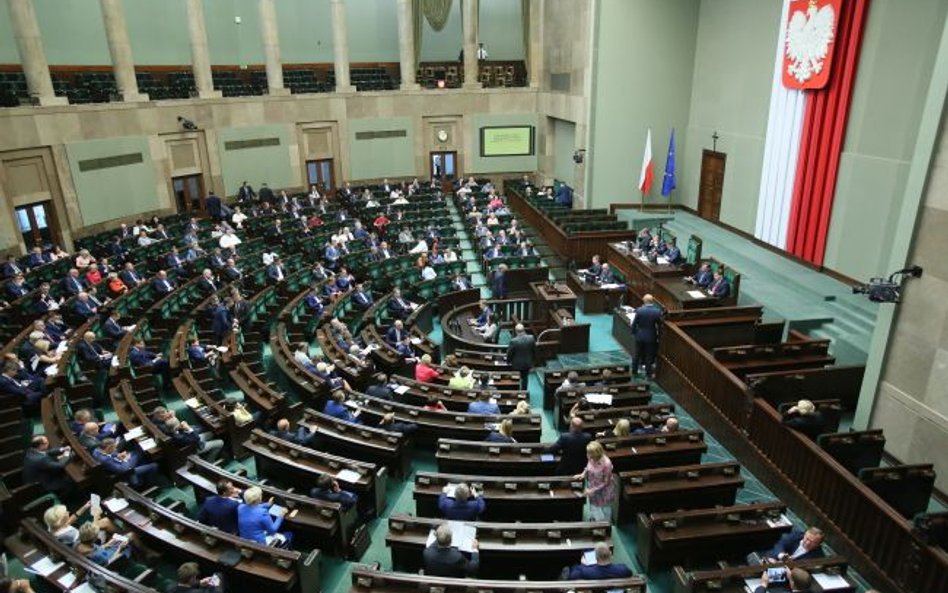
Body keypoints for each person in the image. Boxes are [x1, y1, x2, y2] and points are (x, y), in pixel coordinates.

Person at [92, 438, 161, 488]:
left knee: (135, 452)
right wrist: (125, 459)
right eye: (114, 448)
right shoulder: (105, 460)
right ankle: (151, 485)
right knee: (154, 465)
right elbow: (123, 469)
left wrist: (118, 455)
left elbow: (110, 454)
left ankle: (143, 469)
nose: (115, 449)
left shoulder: (97, 450)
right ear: (109, 448)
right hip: (124, 472)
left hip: (118, 464)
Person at [575, 441, 615, 521]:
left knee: (605, 511)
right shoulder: (591, 457)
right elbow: (588, 467)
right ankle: (595, 520)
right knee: (593, 506)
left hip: (604, 491)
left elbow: (606, 482)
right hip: (592, 486)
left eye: (590, 453)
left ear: (597, 453)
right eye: (588, 453)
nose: (588, 455)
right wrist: (583, 474)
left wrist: (592, 490)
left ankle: (604, 526)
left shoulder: (607, 464)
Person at [565, 542, 633, 580]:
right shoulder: (623, 569)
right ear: (610, 554)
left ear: (595, 557)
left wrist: (584, 565)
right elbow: (630, 573)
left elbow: (572, 576)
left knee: (586, 550)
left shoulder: (584, 571)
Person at [631, 294, 662, 378]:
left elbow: (634, 324)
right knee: (649, 356)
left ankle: (634, 371)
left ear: (644, 301)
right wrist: (659, 336)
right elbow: (659, 326)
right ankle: (648, 373)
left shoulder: (639, 310)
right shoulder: (657, 311)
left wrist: (634, 333)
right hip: (651, 337)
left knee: (636, 354)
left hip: (640, 336)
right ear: (652, 301)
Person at [506, 323, 536, 390]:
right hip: (527, 363)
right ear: (524, 330)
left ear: (516, 331)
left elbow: (510, 353)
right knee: (525, 378)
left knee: (515, 378)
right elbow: (534, 350)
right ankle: (524, 393)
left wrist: (508, 361)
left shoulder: (513, 341)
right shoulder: (531, 338)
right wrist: (533, 361)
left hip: (517, 364)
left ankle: (516, 392)